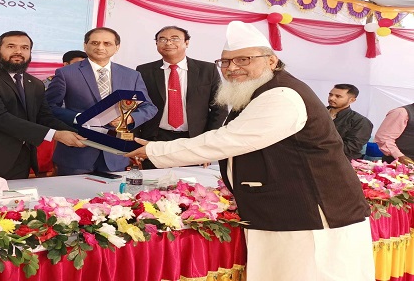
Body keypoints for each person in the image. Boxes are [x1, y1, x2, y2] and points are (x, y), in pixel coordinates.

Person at [126, 21, 373, 281]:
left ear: (271, 61)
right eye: (225, 62)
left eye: (243, 59)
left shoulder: (282, 95)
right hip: (283, 207)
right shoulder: (258, 90)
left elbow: (228, 140)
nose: (232, 68)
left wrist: (153, 150)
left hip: (312, 211)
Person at [0, 31, 86, 183]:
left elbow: (45, 117)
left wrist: (83, 134)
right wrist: (56, 135)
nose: (18, 51)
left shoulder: (36, 84)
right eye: (11, 46)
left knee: (15, 200)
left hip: (20, 163)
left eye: (25, 48)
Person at [46, 27, 157, 175]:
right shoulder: (66, 73)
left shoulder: (132, 75)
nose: (100, 47)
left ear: (117, 47)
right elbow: (49, 106)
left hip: (115, 155)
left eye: (107, 43)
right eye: (95, 43)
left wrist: (129, 118)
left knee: (113, 191)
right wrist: (78, 118)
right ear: (85, 45)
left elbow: (149, 107)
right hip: (77, 151)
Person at [135, 26, 227, 169]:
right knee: (153, 180)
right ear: (156, 44)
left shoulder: (207, 70)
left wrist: (207, 145)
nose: (168, 43)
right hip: (155, 139)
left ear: (187, 42)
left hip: (194, 140)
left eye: (174, 39)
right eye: (162, 39)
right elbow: (137, 107)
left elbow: (219, 109)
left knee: (190, 181)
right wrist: (134, 142)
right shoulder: (144, 70)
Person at [327, 83, 373, 160]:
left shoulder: (360, 121)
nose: (331, 98)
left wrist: (318, 147)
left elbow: (351, 148)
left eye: (338, 96)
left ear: (352, 100)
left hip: (339, 162)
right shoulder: (315, 113)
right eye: (330, 95)